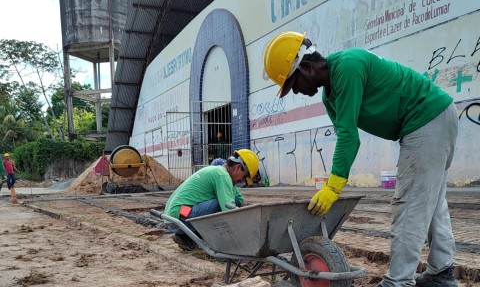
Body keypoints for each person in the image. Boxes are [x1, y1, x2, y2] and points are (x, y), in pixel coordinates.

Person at [263, 31, 458, 287]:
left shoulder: (348, 66)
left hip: (425, 119)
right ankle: (441, 273)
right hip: (435, 119)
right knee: (431, 203)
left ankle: (398, 282)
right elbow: (345, 135)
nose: (296, 91)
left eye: (293, 83)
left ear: (307, 68)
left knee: (410, 204)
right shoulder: (329, 96)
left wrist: (333, 186)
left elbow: (349, 138)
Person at [164, 149, 259, 251]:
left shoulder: (218, 171)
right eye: (244, 177)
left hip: (175, 215)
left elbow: (239, 198)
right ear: (238, 168)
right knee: (222, 204)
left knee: (229, 201)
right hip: (180, 216)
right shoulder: (223, 175)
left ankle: (186, 238)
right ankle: (218, 243)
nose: (242, 181)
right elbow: (228, 210)